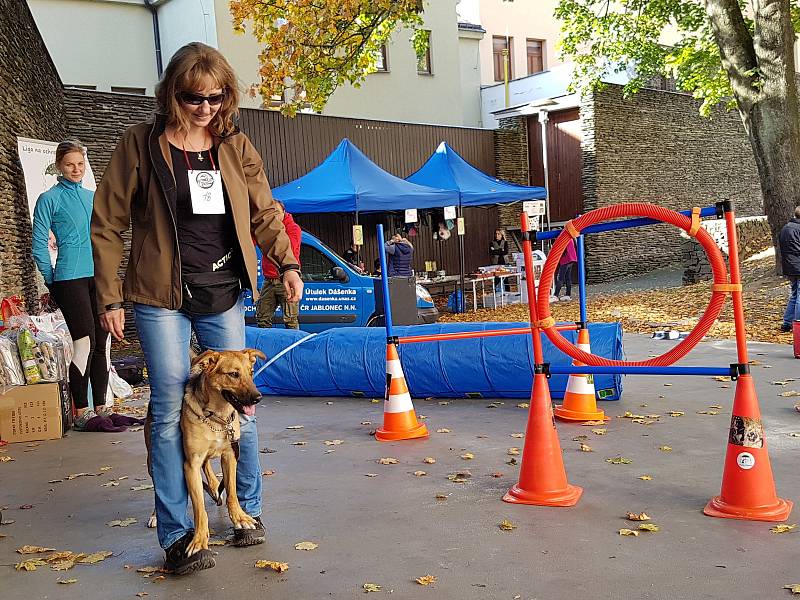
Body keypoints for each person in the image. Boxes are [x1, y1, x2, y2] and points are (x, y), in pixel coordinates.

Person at [91, 42, 303, 576]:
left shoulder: (234, 146)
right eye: (193, 97)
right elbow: (108, 222)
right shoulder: (139, 145)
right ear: (171, 95)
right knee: (166, 406)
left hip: (222, 289)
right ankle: (180, 533)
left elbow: (264, 210)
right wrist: (109, 296)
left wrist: (288, 263)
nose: (206, 107)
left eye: (216, 97)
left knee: (240, 405)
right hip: (159, 293)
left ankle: (246, 512)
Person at [32, 140, 111, 431]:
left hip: (98, 277)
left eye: (80, 164)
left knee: (102, 340)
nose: (76, 169)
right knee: (85, 341)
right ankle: (81, 409)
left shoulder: (94, 196)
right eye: (69, 164)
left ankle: (101, 406)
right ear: (58, 166)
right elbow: (39, 244)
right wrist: (51, 279)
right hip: (68, 277)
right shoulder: (48, 199)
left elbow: (107, 237)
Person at [256, 202, 302, 329]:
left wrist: (275, 232)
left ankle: (294, 346)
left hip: (284, 278)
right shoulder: (266, 229)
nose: (274, 216)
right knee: (262, 318)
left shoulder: (293, 228)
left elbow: (289, 250)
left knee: (290, 319)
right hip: (269, 280)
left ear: (284, 212)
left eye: (277, 212)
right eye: (271, 212)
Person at [779, 206, 800, 333]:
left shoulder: (786, 228)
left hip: (789, 266)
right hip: (798, 265)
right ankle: (797, 323)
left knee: (794, 294)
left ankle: (787, 323)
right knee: (799, 296)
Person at [552, 237, 577, 302]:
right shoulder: (570, 238)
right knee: (567, 278)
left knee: (561, 278)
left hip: (565, 260)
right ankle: (568, 295)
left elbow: (561, 251)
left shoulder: (563, 239)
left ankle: (555, 295)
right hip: (571, 259)